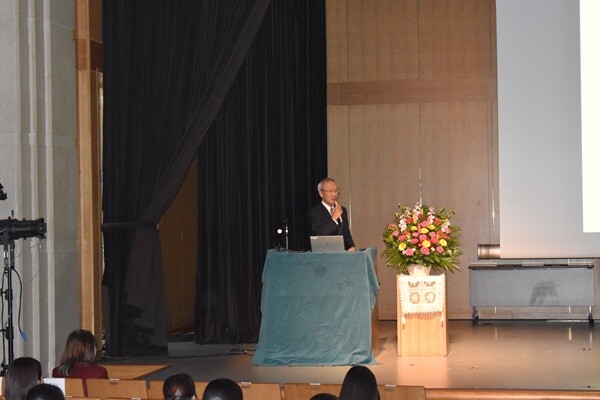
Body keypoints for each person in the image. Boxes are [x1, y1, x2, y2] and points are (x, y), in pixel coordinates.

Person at [307, 178, 356, 251]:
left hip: (342, 253)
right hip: (324, 254)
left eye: (335, 191)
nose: (334, 194)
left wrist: (352, 246)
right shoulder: (314, 212)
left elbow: (346, 232)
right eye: (330, 191)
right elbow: (319, 235)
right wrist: (333, 219)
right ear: (321, 193)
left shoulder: (342, 210)